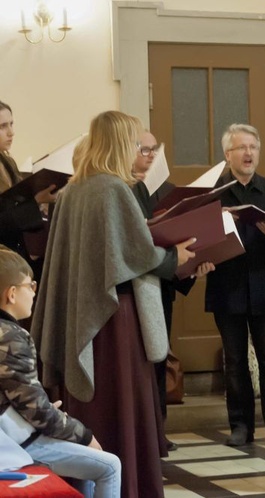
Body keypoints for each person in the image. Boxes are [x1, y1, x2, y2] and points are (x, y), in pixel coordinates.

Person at [31, 110, 196, 498]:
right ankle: (127, 489)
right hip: (113, 318)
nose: (140, 151)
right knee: (123, 407)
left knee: (92, 410)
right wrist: (177, 258)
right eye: (135, 143)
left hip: (82, 317)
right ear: (121, 144)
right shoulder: (112, 188)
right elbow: (137, 255)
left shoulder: (74, 190)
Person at [0, 246, 121, 498]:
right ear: (11, 294)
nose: (34, 291)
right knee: (109, 465)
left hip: (10, 431)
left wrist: (44, 409)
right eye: (29, 285)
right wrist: (84, 435)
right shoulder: (11, 337)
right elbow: (37, 412)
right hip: (10, 446)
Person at [205, 123, 265, 449]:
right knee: (235, 361)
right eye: (241, 148)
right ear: (228, 154)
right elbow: (198, 242)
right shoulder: (212, 194)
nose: (248, 153)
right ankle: (241, 428)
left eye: (253, 147)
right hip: (226, 288)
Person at [131, 131, 214, 452]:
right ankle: (141, 432)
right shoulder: (123, 189)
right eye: (144, 149)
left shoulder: (167, 192)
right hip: (132, 286)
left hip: (161, 287)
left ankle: (158, 432)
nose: (150, 155)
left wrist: (193, 268)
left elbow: (178, 238)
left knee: (158, 358)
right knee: (137, 362)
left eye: (155, 149)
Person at [0, 100, 56, 271]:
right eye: (2, 126)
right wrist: (36, 201)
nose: (11, 132)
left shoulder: (7, 161)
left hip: (15, 251)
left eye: (11, 124)